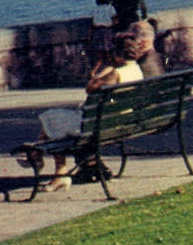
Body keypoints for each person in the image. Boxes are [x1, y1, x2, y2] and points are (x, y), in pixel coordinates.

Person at [19, 30, 148, 191]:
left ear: (118, 53)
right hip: (120, 123)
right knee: (55, 120)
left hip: (100, 126)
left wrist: (102, 70)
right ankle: (49, 165)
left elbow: (90, 87)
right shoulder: (136, 70)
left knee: (50, 117)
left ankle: (49, 165)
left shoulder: (115, 73)